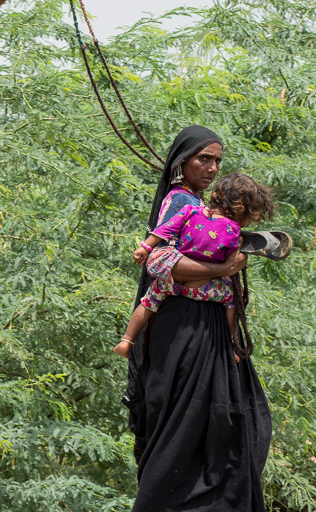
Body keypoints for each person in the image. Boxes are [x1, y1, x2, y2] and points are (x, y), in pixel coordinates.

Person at [123, 125, 272, 512]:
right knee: (185, 418)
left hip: (208, 321)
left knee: (227, 415)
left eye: (217, 161)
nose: (211, 168)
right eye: (203, 158)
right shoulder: (180, 202)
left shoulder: (208, 209)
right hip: (182, 323)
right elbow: (161, 261)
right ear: (181, 162)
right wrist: (221, 271)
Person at [114, 172, 275, 361]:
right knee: (234, 296)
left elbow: (166, 229)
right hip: (203, 288)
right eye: (250, 216)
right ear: (240, 208)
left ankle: (127, 340)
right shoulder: (233, 231)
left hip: (171, 283)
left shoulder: (190, 210)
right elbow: (230, 263)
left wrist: (146, 246)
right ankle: (231, 344)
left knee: (148, 301)